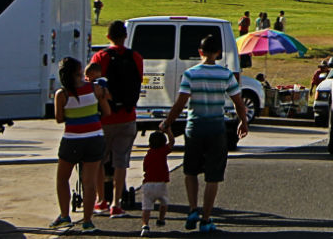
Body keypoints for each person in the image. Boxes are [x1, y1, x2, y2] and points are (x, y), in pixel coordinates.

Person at [159, 33, 249, 234]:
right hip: (216, 127)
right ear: (219, 53)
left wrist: (167, 123)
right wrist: (243, 122)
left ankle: (192, 209)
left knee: (190, 171)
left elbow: (180, 103)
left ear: (200, 52)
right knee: (213, 175)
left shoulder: (190, 74)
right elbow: (239, 102)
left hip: (195, 127)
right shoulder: (225, 74)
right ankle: (206, 218)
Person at [90, 20, 144, 218]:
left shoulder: (100, 57)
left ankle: (101, 199)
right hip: (127, 116)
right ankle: (116, 202)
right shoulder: (136, 57)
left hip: (105, 118)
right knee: (121, 161)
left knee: (99, 160)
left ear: (108, 37)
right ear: (125, 36)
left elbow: (92, 83)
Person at [51, 56, 109, 232]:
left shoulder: (62, 94)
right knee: (89, 182)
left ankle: (64, 216)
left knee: (62, 179)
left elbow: (59, 118)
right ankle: (87, 221)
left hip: (72, 139)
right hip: (94, 137)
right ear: (80, 71)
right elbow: (106, 111)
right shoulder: (95, 88)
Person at [138, 130, 172, 236]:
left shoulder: (148, 154)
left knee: (146, 207)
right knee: (164, 202)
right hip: (160, 183)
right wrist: (169, 131)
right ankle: (161, 219)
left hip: (148, 184)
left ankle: (145, 225)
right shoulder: (163, 151)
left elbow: (145, 167)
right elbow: (172, 142)